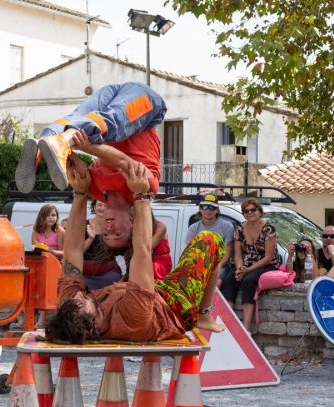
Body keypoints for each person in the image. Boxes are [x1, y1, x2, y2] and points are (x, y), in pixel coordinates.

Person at [45, 158, 225, 344]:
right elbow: (142, 251)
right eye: (81, 302)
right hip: (174, 306)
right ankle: (203, 314)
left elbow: (73, 250)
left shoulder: (71, 307)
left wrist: (80, 192)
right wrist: (141, 195)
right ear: (93, 322)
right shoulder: (130, 319)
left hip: (143, 292)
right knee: (210, 240)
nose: (79, 295)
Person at [17, 82, 166, 250]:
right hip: (148, 106)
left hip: (105, 104)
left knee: (74, 119)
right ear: (132, 223)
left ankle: (44, 141)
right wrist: (83, 146)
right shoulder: (144, 188)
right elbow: (122, 162)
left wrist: (69, 161)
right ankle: (63, 140)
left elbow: (76, 165)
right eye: (118, 234)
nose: (109, 229)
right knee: (112, 122)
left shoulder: (94, 189)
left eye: (106, 235)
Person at [220, 198, 281, 330]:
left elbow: (269, 257)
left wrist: (247, 270)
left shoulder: (269, 229)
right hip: (246, 263)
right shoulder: (240, 228)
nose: (250, 213)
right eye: (246, 211)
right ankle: (226, 323)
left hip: (266, 264)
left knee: (248, 280)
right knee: (229, 279)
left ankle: (246, 327)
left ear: (259, 211)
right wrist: (240, 268)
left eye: (253, 210)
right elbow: (237, 255)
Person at [185, 192, 235, 286]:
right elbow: (190, 253)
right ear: (200, 209)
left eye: (212, 207)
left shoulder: (227, 226)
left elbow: (227, 254)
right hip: (199, 266)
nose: (208, 210)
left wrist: (212, 269)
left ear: (217, 210)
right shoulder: (193, 228)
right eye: (204, 207)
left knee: (215, 284)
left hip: (221, 265)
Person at [82, 199, 122, 290]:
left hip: (108, 270)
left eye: (106, 206)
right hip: (86, 271)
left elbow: (117, 251)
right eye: (99, 205)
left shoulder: (114, 227)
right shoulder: (84, 225)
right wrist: (91, 238)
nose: (102, 208)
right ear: (94, 207)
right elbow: (78, 251)